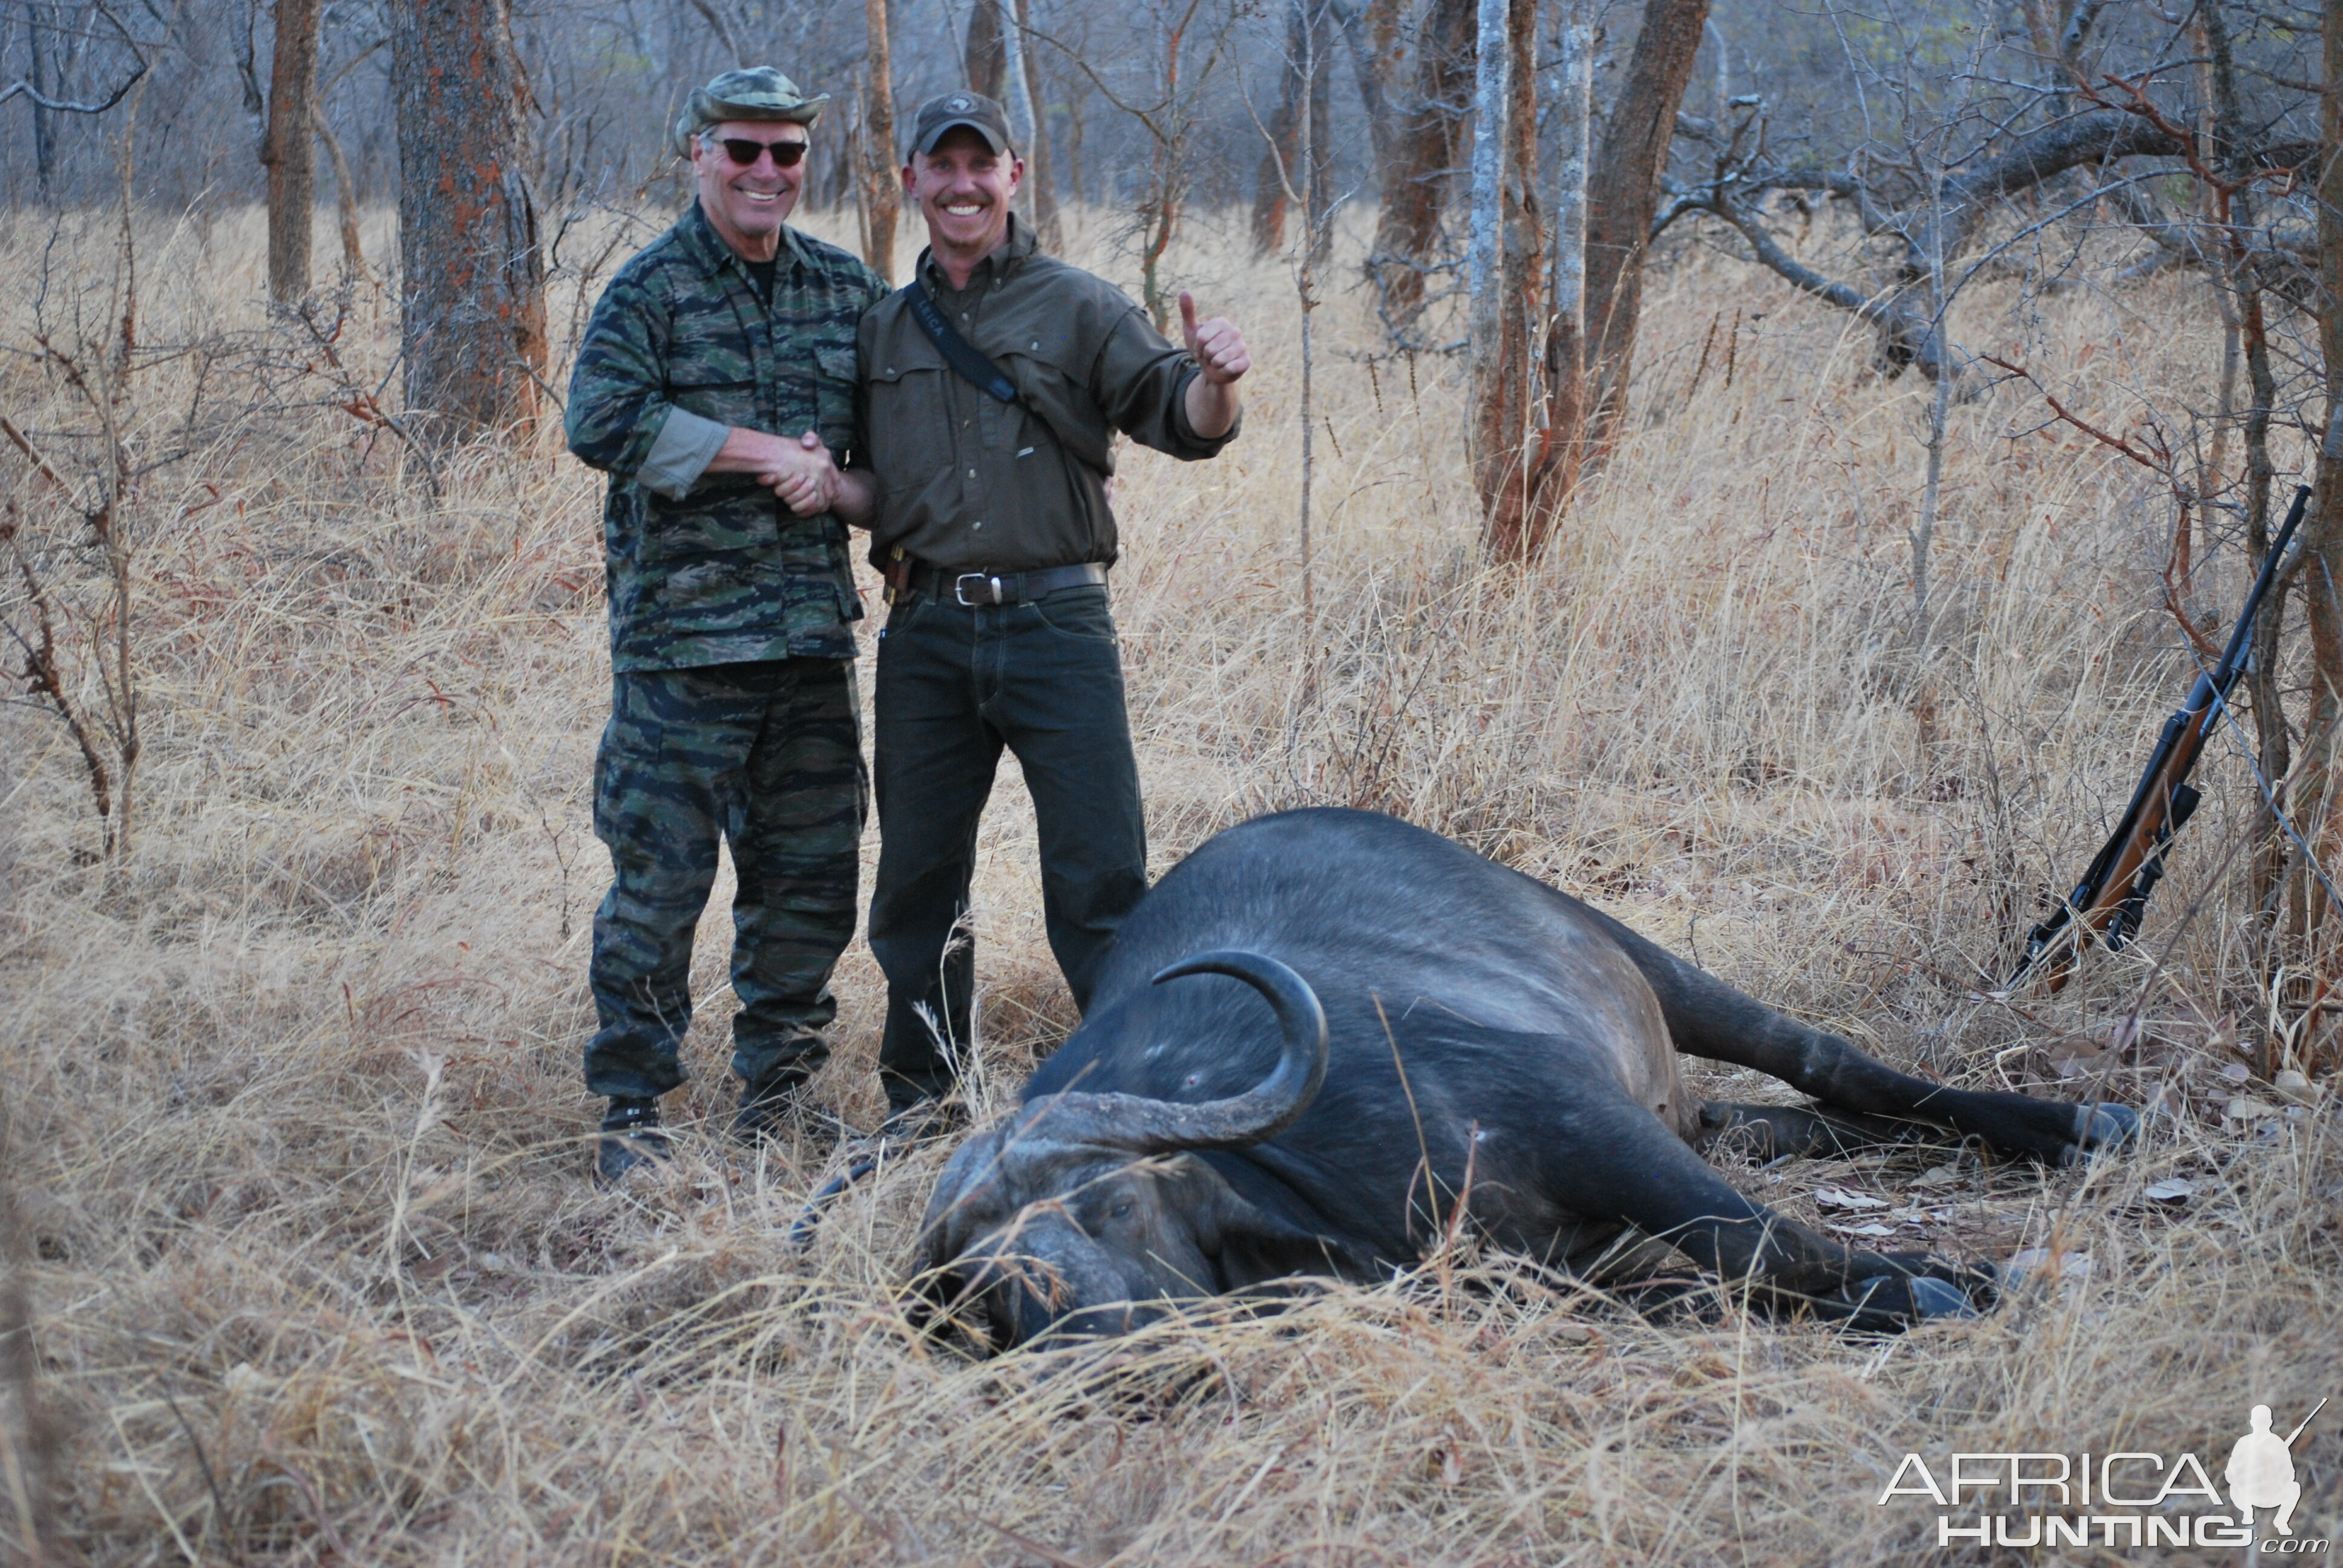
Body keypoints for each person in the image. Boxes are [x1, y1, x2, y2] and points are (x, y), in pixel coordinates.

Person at [828, 91, 1253, 1129]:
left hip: (1057, 628)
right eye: (944, 166)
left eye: (984, 165)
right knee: (919, 886)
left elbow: (1181, 418)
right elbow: (872, 483)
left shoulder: (1078, 303)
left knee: (1100, 882)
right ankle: (923, 1107)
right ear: (911, 182)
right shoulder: (882, 325)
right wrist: (804, 477)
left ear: (1014, 176)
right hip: (923, 632)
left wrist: (1218, 382)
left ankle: (1136, 1097)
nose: (963, 184)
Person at [565, 67, 885, 1184]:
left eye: (786, 153)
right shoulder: (650, 290)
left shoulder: (846, 291)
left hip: (807, 644)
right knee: (658, 883)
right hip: (682, 647)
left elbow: (894, 447)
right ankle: (632, 1108)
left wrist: (839, 481)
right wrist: (770, 456)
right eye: (742, 149)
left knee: (808, 878)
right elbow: (602, 420)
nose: (764, 172)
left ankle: (780, 1097)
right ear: (696, 152)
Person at [2225, 1404, 2303, 1535]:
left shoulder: (2245, 1442)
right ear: (2271, 1423)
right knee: (2295, 1488)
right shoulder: (2275, 1443)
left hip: (2256, 1496)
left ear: (2251, 1422)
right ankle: (2275, 1520)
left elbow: (2230, 1475)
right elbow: (2291, 1475)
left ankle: (2256, 1516)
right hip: (2265, 1495)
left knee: (2234, 1487)